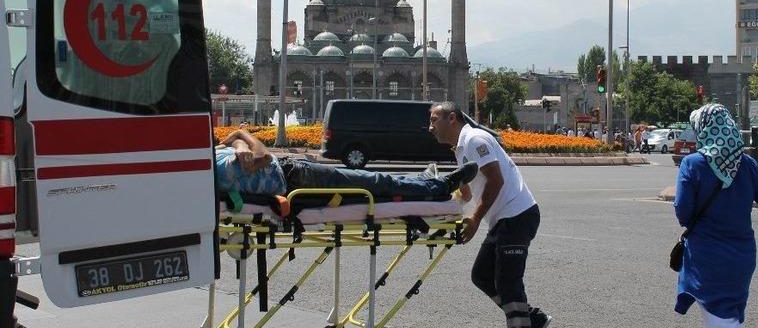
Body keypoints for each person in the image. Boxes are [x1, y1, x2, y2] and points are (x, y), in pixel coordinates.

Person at [674, 104, 758, 327]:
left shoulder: (692, 164)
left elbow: (683, 213)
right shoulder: (748, 165)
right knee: (729, 316)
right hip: (741, 259)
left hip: (705, 258)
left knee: (721, 320)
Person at [428, 102, 551, 328]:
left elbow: (496, 181)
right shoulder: (460, 148)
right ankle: (533, 318)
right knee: (482, 275)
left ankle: (522, 324)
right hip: (503, 219)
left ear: (452, 118)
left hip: (517, 215)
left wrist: (474, 219)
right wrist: (437, 210)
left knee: (508, 281)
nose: (430, 127)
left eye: (434, 120)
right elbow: (465, 193)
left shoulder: (475, 140)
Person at [215, 129, 478, 199]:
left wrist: (237, 145)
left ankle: (425, 181)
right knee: (375, 182)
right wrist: (241, 136)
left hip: (295, 173)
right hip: (296, 177)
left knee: (375, 180)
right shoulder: (219, 167)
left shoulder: (213, 159)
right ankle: (437, 186)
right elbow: (262, 156)